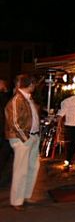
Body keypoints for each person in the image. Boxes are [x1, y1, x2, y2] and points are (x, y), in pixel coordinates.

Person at [5, 74, 41, 211]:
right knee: (21, 169)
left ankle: (25, 195)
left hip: (32, 136)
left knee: (32, 166)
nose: (34, 86)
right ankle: (17, 200)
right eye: (33, 83)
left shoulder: (27, 99)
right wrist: (24, 137)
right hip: (23, 138)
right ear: (29, 84)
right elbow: (14, 121)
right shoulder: (17, 100)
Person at [0, 79, 13, 186]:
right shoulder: (4, 97)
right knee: (5, 153)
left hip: (4, 129)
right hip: (3, 130)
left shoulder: (4, 97)